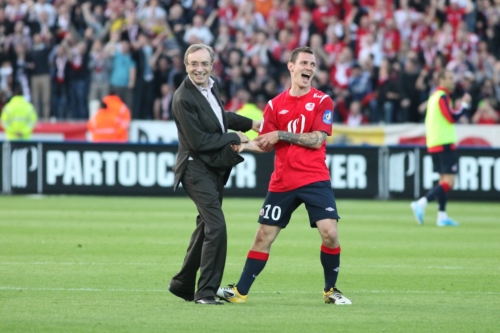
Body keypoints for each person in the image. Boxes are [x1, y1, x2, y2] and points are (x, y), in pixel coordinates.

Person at [216, 46, 352, 305]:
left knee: (330, 233)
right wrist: (245, 145)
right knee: (263, 236)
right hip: (283, 182)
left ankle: (330, 290)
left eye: (312, 65)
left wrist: (281, 134)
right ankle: (240, 291)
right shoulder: (274, 105)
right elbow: (264, 142)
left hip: (314, 178)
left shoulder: (323, 101)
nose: (309, 68)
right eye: (304, 63)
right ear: (291, 67)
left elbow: (316, 139)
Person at [168, 44, 261, 305]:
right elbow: (198, 142)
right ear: (186, 65)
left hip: (212, 168)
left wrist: (252, 124)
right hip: (194, 168)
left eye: (204, 64)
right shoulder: (182, 97)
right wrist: (236, 136)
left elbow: (220, 117)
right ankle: (206, 293)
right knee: (217, 227)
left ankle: (182, 284)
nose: (199, 69)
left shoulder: (212, 85)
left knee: (206, 227)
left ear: (212, 65)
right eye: (194, 64)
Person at [410, 69, 471, 227]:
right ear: (441, 80)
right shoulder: (442, 96)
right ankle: (421, 203)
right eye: (450, 78)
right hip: (443, 143)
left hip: (434, 143)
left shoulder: (434, 97)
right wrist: (464, 106)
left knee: (443, 181)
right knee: (449, 182)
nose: (453, 81)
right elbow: (451, 117)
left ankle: (442, 215)